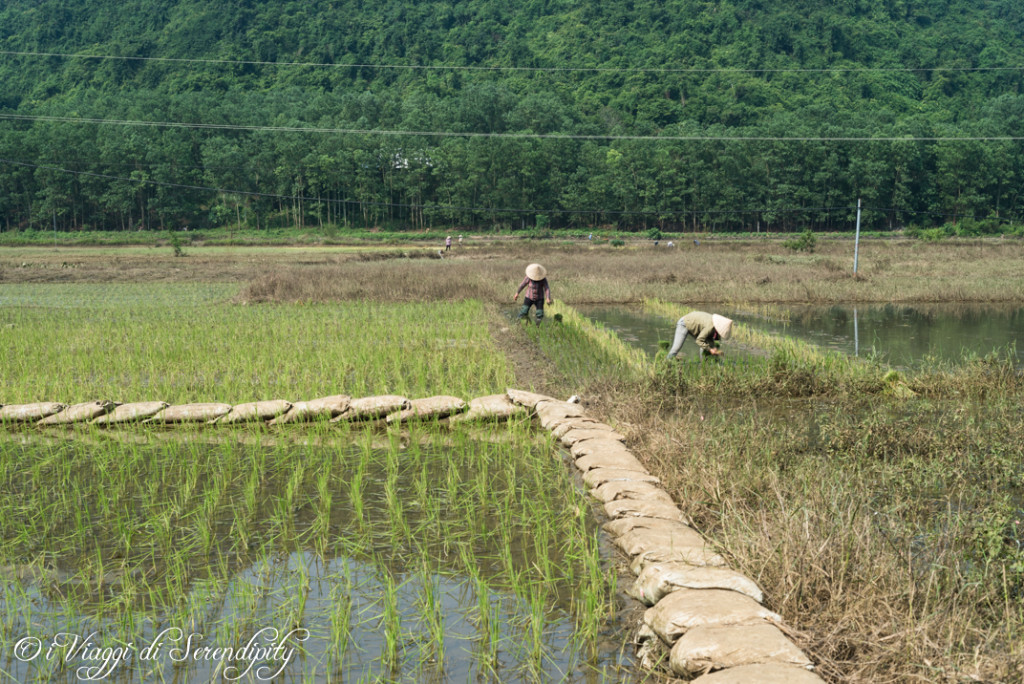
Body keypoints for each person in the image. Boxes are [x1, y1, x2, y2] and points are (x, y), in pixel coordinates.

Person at [666, 311, 733, 359]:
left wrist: (714, 348)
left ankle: (704, 365)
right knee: (676, 348)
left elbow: (710, 341)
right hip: (684, 323)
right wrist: (710, 350)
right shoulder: (710, 327)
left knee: (706, 347)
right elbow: (699, 340)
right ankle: (666, 364)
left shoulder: (714, 327)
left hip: (695, 324)